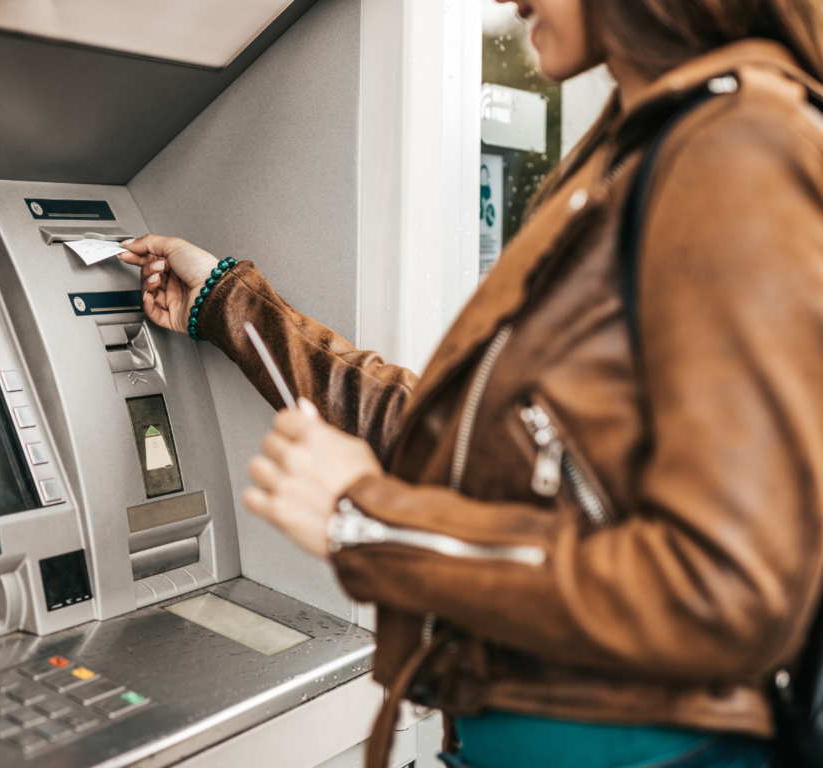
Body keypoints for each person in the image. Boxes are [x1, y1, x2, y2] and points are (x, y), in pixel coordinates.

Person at [118, 0, 823, 765]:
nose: (509, 1)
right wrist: (230, 306)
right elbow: (464, 445)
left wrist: (367, 524)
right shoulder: (647, 147)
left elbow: (724, 589)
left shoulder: (738, 148)